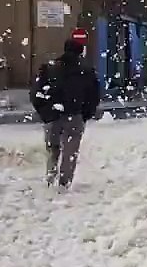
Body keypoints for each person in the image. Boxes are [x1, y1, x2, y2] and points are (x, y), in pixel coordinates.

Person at [30, 39, 101, 189]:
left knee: (52, 150)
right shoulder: (87, 71)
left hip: (52, 116)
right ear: (81, 52)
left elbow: (36, 93)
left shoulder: (49, 69)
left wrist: (46, 113)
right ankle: (64, 184)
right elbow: (93, 96)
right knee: (70, 152)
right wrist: (85, 114)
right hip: (74, 116)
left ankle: (50, 177)